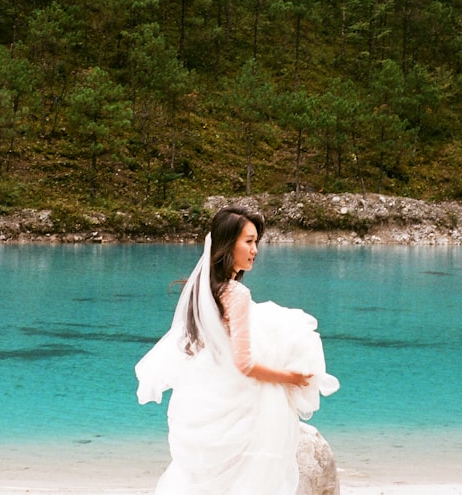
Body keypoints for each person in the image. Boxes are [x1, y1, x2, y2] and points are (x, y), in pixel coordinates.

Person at [136, 206, 339, 495]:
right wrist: (290, 378)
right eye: (249, 241)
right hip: (237, 405)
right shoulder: (235, 294)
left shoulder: (203, 290)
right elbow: (244, 364)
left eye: (256, 242)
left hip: (203, 398)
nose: (255, 249)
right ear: (228, 243)